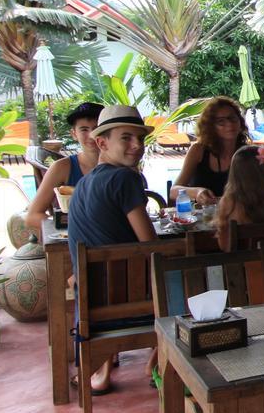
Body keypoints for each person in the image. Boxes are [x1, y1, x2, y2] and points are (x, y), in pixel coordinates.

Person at [66, 105, 158, 395]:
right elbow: (151, 244)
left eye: (140, 139)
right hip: (128, 307)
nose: (137, 146)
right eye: (126, 138)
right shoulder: (125, 178)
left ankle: (106, 368)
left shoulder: (84, 184)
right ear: (102, 143)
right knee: (202, 276)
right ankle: (159, 364)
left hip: (92, 306)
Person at [25, 101, 104, 236]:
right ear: (73, 134)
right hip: (79, 245)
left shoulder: (122, 167)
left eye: (97, 128)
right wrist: (70, 229)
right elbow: (33, 216)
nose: (91, 135)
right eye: (84, 129)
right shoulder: (62, 168)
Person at [170, 96, 248, 207]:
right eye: (221, 121)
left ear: (240, 122)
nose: (229, 124)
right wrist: (197, 192)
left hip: (238, 217)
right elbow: (173, 191)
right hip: (204, 218)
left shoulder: (248, 153)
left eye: (232, 118)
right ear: (211, 127)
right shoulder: (198, 150)